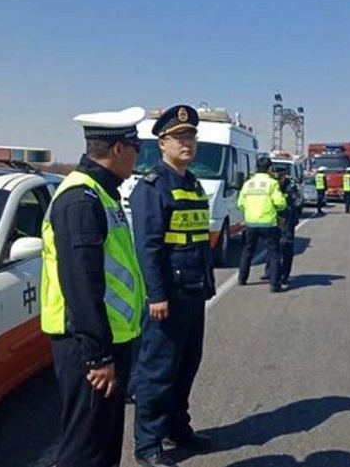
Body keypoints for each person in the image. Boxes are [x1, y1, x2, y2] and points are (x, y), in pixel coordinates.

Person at [40, 106, 147, 467]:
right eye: (136, 148)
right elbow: (81, 285)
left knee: (103, 443)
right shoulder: (80, 200)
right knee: (85, 450)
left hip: (109, 337)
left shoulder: (103, 192)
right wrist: (98, 356)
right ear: (118, 149)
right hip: (87, 343)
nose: (137, 156)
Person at [129, 105, 216, 467]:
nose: (187, 143)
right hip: (168, 296)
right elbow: (148, 248)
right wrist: (157, 295)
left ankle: (178, 428)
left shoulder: (192, 183)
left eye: (191, 136)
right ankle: (148, 444)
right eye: (179, 137)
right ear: (162, 143)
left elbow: (197, 242)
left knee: (186, 365)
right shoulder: (153, 187)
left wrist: (208, 284)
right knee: (158, 370)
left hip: (194, 292)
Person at [237, 156, 287, 293]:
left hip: (251, 223)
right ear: (270, 169)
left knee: (247, 251)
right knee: (274, 253)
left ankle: (242, 279)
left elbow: (240, 204)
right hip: (268, 223)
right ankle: (274, 285)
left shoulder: (248, 184)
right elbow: (280, 203)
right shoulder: (272, 183)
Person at [262, 169, 300, 288]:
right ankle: (270, 271)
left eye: (281, 175)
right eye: (276, 174)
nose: (278, 177)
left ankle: (285, 275)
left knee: (287, 247)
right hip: (274, 219)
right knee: (272, 247)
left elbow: (295, 200)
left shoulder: (291, 185)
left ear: (284, 175)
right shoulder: (271, 183)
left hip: (287, 219)